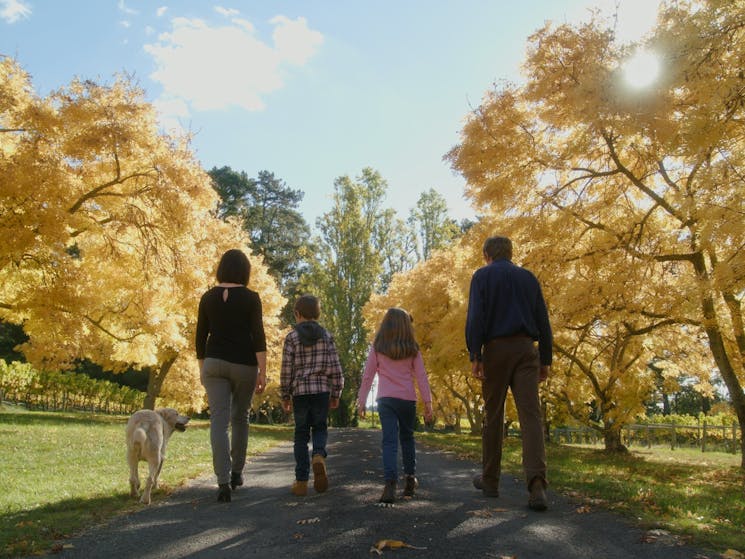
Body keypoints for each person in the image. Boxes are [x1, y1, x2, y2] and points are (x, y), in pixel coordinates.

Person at [465, 236, 552, 511]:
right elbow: (543, 319)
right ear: (511, 253)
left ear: (486, 254)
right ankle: (537, 484)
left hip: (496, 349)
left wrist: (475, 354)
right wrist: (545, 358)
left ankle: (490, 481)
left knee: (493, 414)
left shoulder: (482, 276)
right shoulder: (528, 278)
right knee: (531, 416)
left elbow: (475, 317)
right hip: (527, 349)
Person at [196, 249, 267, 503]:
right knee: (240, 418)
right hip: (244, 365)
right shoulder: (251, 298)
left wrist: (202, 369)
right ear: (245, 271)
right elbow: (258, 336)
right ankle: (237, 472)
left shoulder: (207, 297)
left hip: (213, 363)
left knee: (218, 421)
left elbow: (200, 338)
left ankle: (222, 481)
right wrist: (263, 371)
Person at [358, 308, 433, 504]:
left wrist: (362, 400)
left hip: (386, 400)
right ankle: (409, 479)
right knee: (407, 438)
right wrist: (428, 402)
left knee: (389, 441)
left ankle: (390, 483)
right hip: (407, 400)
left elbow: (368, 375)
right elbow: (422, 377)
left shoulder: (378, 347)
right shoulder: (412, 349)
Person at [280, 295, 344, 496]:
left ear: (297, 314)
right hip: (322, 391)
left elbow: (286, 370)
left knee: (300, 434)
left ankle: (301, 482)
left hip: (300, 393)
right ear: (318, 314)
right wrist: (336, 392)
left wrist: (285, 395)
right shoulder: (326, 336)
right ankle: (318, 455)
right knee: (320, 428)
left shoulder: (291, 338)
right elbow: (335, 368)